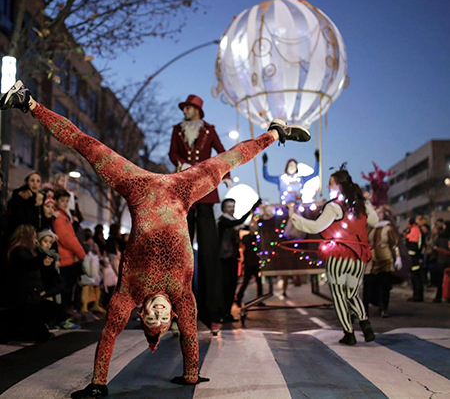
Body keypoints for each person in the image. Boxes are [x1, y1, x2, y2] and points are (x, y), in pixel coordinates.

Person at [1, 80, 310, 398]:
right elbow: (190, 337)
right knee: (229, 160)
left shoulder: (128, 294)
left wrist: (98, 384)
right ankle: (274, 133)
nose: (157, 313)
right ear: (172, 314)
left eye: (151, 316)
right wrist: (191, 374)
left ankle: (28, 103)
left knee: (86, 145)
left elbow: (109, 335)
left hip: (139, 187)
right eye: (162, 318)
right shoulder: (182, 298)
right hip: (182, 189)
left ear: (141, 311)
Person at [288, 168, 379, 345]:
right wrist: (368, 203)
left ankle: (349, 333)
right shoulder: (361, 205)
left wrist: (293, 216)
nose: (329, 187)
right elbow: (374, 221)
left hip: (338, 255)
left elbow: (315, 228)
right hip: (358, 256)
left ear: (339, 186)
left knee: (338, 295)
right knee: (352, 294)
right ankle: (365, 323)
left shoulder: (334, 206)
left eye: (330, 183)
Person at [169, 94, 232, 332]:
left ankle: (212, 312)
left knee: (209, 253)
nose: (185, 110)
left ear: (197, 110)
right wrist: (181, 165)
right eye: (184, 107)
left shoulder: (209, 130)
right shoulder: (177, 129)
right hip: (184, 191)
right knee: (180, 253)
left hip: (205, 193)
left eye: (188, 108)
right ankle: (177, 313)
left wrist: (226, 175)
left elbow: (222, 153)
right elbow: (172, 152)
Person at [218, 198, 260, 322]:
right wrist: (252, 208)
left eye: (233, 206)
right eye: (229, 207)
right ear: (224, 209)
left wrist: (255, 215)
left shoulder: (233, 222)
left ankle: (227, 313)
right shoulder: (223, 221)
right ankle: (222, 313)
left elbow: (249, 228)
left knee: (232, 286)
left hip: (233, 257)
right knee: (226, 286)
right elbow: (239, 222)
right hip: (224, 258)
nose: (232, 209)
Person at [364, 206, 402, 317]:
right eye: (377, 212)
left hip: (385, 259)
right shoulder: (369, 227)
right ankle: (364, 309)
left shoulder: (388, 228)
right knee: (368, 284)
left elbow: (394, 244)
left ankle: (384, 308)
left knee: (384, 286)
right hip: (371, 260)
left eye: (381, 212)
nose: (379, 214)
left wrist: (398, 258)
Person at [53, 188, 86, 312]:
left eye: (67, 201)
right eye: (62, 201)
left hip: (67, 257)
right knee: (65, 289)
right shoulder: (60, 217)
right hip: (64, 258)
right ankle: (63, 315)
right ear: (56, 201)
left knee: (66, 289)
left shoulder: (63, 215)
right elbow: (67, 238)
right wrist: (81, 253)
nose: (65, 203)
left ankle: (65, 314)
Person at [236, 232, 263, 307]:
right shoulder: (256, 239)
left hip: (249, 262)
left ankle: (239, 298)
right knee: (257, 281)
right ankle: (259, 299)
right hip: (253, 262)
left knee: (246, 282)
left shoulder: (246, 239)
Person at [404, 217, 423, 302]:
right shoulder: (414, 230)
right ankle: (417, 295)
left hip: (414, 258)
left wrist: (408, 255)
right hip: (414, 257)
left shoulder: (414, 230)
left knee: (416, 277)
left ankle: (417, 296)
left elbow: (413, 246)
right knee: (415, 277)